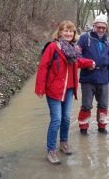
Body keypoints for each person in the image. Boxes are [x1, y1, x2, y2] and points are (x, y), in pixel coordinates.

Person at [35, 20, 95, 164]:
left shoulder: (74, 49)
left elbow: (78, 62)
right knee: (56, 119)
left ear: (74, 33)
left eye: (71, 31)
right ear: (60, 32)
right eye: (65, 30)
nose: (68, 33)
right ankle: (51, 150)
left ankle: (63, 143)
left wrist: (90, 63)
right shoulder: (53, 47)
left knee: (66, 118)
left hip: (68, 90)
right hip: (54, 90)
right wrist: (40, 88)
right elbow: (43, 67)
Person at [77, 14, 109, 135]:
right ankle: (83, 130)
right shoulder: (84, 38)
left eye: (103, 28)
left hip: (103, 79)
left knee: (103, 105)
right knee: (86, 106)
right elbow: (76, 56)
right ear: (93, 26)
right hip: (87, 78)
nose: (101, 30)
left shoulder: (108, 43)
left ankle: (102, 128)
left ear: (106, 29)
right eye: (98, 27)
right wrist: (87, 63)